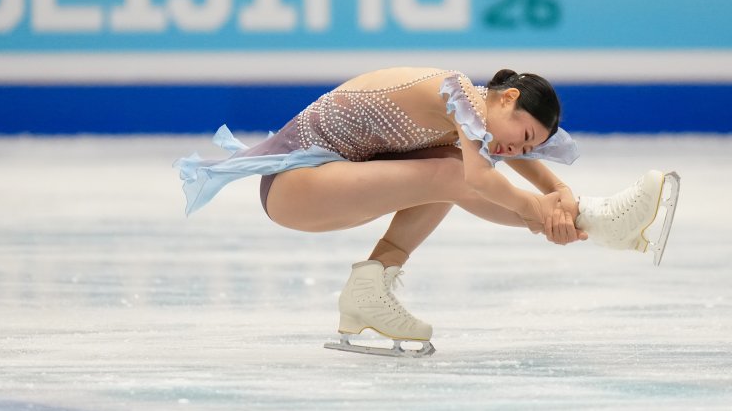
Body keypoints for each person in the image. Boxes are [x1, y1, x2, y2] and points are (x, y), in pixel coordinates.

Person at [174, 67, 678, 357]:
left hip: (326, 182)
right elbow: (478, 177)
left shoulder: (480, 119)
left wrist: (563, 194)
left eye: (528, 146)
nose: (515, 150)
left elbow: (511, 160)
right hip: (293, 187)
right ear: (507, 98)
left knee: (447, 165)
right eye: (521, 135)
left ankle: (368, 289)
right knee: (451, 172)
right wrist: (552, 215)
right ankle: (602, 222)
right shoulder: (456, 92)